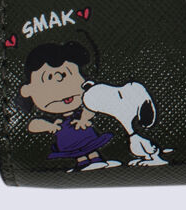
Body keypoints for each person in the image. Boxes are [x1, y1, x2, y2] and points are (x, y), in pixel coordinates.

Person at [17, 42, 118, 170]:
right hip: (68, 142)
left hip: (84, 135)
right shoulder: (58, 121)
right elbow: (33, 125)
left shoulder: (82, 109)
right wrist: (50, 126)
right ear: (27, 90)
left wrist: (83, 119)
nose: (62, 87)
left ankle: (95, 160)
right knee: (78, 155)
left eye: (65, 74)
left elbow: (90, 110)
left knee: (91, 149)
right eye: (49, 78)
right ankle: (83, 164)